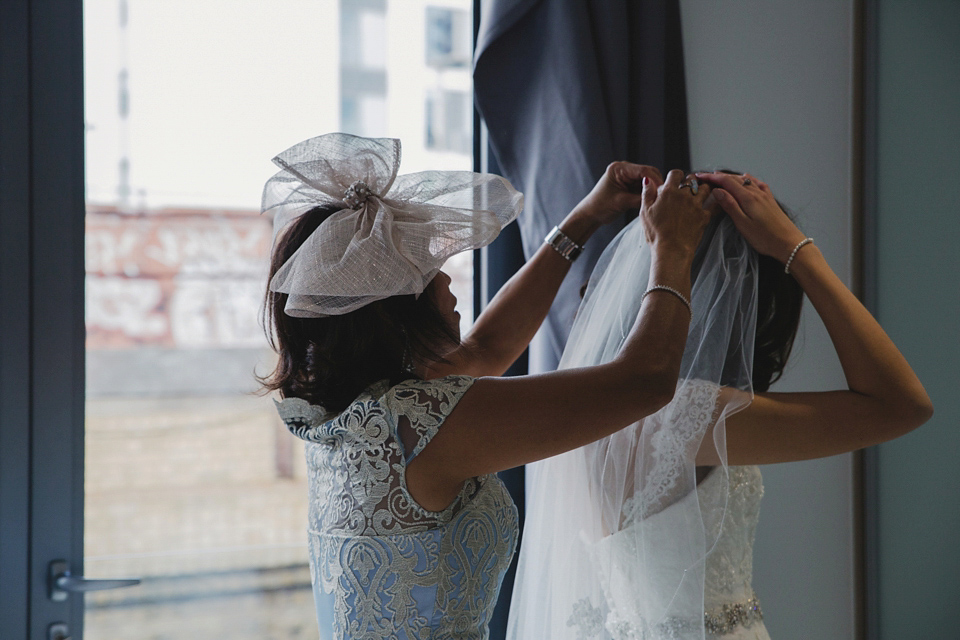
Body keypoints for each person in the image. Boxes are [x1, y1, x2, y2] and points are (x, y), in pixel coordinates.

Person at [258, 132, 714, 639]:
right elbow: (645, 382)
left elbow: (486, 350)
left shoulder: (352, 419)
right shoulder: (424, 421)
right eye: (429, 269)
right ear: (393, 308)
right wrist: (673, 247)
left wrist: (585, 217)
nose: (449, 282)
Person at [506, 170, 933, 640]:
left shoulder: (583, 403)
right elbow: (903, 404)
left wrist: (590, 218)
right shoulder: (689, 414)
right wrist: (798, 251)